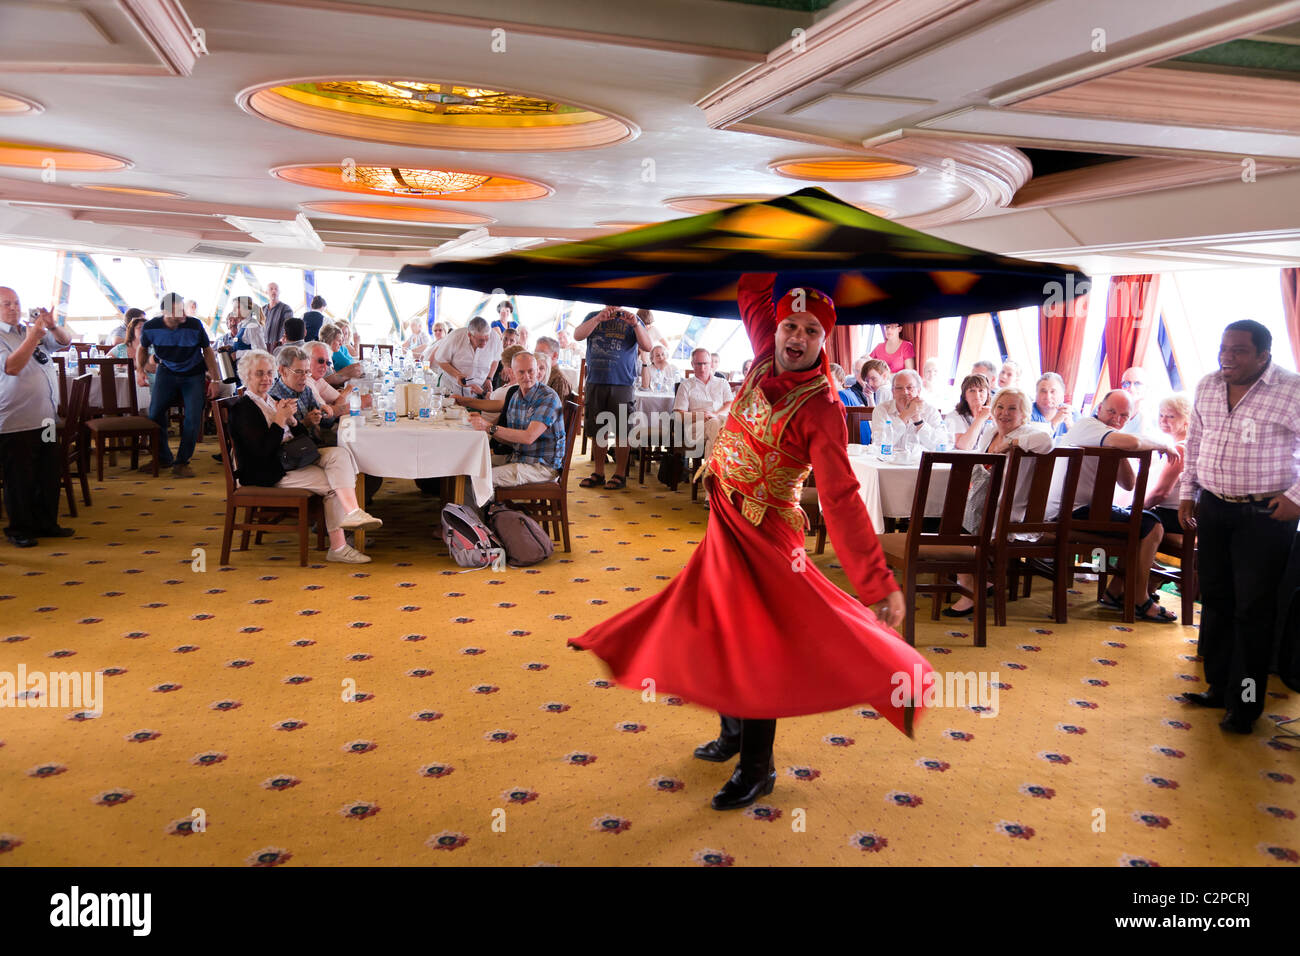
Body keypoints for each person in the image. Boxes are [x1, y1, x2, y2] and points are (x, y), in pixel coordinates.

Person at [569, 273, 928, 812]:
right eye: (790, 325)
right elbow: (750, 289)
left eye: (811, 330)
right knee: (717, 623)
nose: (797, 337)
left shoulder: (823, 406)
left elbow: (842, 497)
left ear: (824, 339)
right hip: (724, 517)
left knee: (759, 645)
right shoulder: (764, 351)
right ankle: (734, 730)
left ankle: (758, 768)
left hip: (769, 535)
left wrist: (876, 580)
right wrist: (772, 234)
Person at [1179, 321, 1300, 734]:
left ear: (1264, 355)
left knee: (1253, 611)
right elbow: (1194, 441)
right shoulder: (1208, 385)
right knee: (1215, 600)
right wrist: (1185, 493)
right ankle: (1217, 687)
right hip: (1213, 507)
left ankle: (1245, 705)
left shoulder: (1290, 389)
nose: (1227, 357)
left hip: (1263, 516)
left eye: (1239, 351)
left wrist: (1296, 499)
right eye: (1224, 348)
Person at [229, 349, 380, 563]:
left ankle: (353, 511)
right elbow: (261, 452)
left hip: (292, 457)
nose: (266, 379)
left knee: (340, 454)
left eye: (269, 373)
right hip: (268, 470)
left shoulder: (270, 400)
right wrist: (280, 421)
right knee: (333, 484)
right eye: (259, 374)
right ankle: (338, 547)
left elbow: (301, 435)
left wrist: (292, 422)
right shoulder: (243, 408)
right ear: (246, 376)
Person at [1052, 388, 1181, 622]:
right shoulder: (1087, 426)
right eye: (1112, 411)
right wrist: (1162, 443)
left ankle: (1113, 594)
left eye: (1124, 416)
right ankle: (1140, 598)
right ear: (1099, 408)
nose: (1116, 419)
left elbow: (1129, 483)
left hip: (1080, 510)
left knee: (1140, 523)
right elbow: (1132, 441)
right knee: (1152, 526)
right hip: (1069, 511)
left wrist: (1120, 450)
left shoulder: (1109, 437)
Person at [944, 387, 1055, 615]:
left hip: (1007, 508)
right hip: (986, 501)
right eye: (1000, 407)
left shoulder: (1029, 432)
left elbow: (1047, 441)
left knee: (957, 523)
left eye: (1012, 408)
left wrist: (1010, 444)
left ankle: (969, 591)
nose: (1004, 413)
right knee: (950, 512)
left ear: (1024, 413)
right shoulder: (991, 432)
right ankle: (979, 582)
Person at [0, 287, 74, 547]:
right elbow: (12, 366)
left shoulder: (27, 330)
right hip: (15, 420)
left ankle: (46, 522)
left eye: (16, 302)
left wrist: (52, 327)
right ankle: (19, 529)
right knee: (20, 477)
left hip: (45, 418)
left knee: (48, 471)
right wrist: (33, 336)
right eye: (6, 303)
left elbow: (65, 342)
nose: (13, 308)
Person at [139, 292, 221, 478]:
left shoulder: (194, 325)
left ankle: (182, 462)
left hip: (193, 374)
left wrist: (215, 380)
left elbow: (207, 352)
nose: (184, 313)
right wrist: (140, 370)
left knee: (193, 417)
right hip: (166, 372)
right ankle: (163, 457)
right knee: (154, 414)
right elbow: (142, 349)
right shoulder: (151, 327)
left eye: (183, 308)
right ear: (166, 313)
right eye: (178, 310)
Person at [574, 305, 652, 491]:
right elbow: (577, 335)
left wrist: (635, 324)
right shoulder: (593, 315)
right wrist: (597, 319)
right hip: (595, 381)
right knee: (598, 430)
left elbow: (647, 346)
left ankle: (620, 474)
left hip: (622, 383)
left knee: (622, 431)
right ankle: (598, 472)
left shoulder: (634, 319)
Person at [464, 351, 565, 487]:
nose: (527, 377)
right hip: (519, 458)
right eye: (521, 372)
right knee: (468, 466)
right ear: (513, 373)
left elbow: (528, 437)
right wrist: (481, 426)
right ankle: (486, 507)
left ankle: (491, 508)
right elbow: (508, 438)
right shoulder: (515, 396)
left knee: (480, 479)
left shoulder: (548, 397)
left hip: (543, 467)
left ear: (537, 371)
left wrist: (489, 427)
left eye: (531, 371)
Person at [673, 347, 733, 488]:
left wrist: (714, 415)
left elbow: (730, 404)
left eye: (705, 363)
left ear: (711, 364)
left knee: (716, 427)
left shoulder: (722, 383)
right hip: (695, 428)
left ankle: (710, 491)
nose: (702, 367)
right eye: (698, 364)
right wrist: (702, 416)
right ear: (692, 364)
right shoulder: (686, 385)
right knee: (718, 427)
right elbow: (678, 415)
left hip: (717, 425)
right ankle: (721, 486)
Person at [1143, 393, 1190, 535]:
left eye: (1171, 416)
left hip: (1174, 516)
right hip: (1170, 513)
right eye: (1161, 415)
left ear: (1186, 420)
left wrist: (1134, 508)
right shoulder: (1176, 446)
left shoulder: (1181, 450)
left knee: (1122, 520)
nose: (1163, 420)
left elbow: (1161, 493)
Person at [431, 315, 501, 398]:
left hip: (477, 390)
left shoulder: (495, 338)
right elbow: (440, 360)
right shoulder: (456, 337)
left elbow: (496, 360)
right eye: (481, 340)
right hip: (451, 386)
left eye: (487, 339)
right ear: (469, 335)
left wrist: (489, 378)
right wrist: (457, 375)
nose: (484, 343)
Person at [871, 368, 942, 437]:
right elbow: (879, 442)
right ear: (893, 392)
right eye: (899, 388)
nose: (904, 392)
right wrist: (905, 415)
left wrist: (918, 421)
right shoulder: (881, 410)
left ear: (918, 391)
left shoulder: (930, 411)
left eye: (910, 387)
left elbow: (940, 444)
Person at [304, 341, 355, 419]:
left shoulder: (317, 379)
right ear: (306, 359)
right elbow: (326, 415)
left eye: (327, 363)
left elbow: (338, 398)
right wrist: (347, 390)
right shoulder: (306, 380)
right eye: (320, 361)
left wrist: (339, 400)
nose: (325, 366)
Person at [945, 374, 994, 450]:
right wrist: (980, 418)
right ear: (964, 395)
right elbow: (964, 446)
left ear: (987, 394)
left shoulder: (993, 415)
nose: (977, 395)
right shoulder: (954, 417)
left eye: (981, 390)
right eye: (972, 391)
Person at [1030, 371, 1075, 439]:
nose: (1048, 396)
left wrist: (1071, 427)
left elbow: (1083, 445)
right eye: (1043, 391)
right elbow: (1036, 443)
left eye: (1053, 391)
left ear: (1062, 396)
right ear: (1036, 394)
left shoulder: (1072, 413)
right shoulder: (1025, 413)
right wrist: (1054, 423)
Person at [532, 336, 574, 402]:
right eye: (536, 353)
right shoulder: (538, 374)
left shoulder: (559, 380)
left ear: (555, 356)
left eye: (542, 353)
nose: (537, 357)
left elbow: (556, 409)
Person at [1118, 365, 1150, 435]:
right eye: (1126, 383)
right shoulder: (1105, 408)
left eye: (1137, 383)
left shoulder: (1155, 417)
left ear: (1147, 388)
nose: (1131, 388)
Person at [262, 282, 293, 352]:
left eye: (276, 289)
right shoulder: (262, 309)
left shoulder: (286, 309)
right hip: (263, 348)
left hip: (279, 349)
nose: (274, 291)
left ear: (279, 292)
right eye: (271, 289)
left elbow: (289, 329)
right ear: (266, 292)